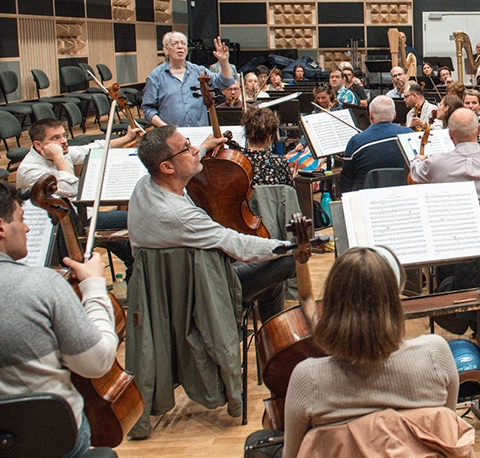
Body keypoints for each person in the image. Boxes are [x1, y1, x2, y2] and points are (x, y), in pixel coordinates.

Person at [0, 180, 118, 458]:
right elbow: (97, 363)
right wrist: (94, 286)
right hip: (53, 445)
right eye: (21, 219)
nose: (27, 228)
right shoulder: (43, 285)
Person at [279, 247, 459, 458]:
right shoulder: (436, 354)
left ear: (331, 306)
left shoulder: (307, 378)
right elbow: (447, 430)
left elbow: (291, 454)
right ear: (395, 303)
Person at [130, 126, 298, 324]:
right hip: (198, 291)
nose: (194, 150)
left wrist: (204, 147)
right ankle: (274, 341)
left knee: (271, 282)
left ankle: (271, 338)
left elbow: (184, 158)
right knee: (286, 261)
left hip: (167, 285)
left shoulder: (144, 185)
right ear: (167, 167)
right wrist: (295, 246)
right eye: (187, 148)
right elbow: (238, 245)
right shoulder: (180, 216)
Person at [17, 117, 142, 277]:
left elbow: (94, 148)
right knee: (136, 218)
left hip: (82, 217)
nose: (63, 141)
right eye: (55, 138)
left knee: (129, 250)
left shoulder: (61, 151)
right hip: (62, 232)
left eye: (64, 135)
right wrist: (59, 158)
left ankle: (133, 283)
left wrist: (126, 138)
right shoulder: (29, 171)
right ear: (38, 145)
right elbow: (71, 189)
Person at [410, 108, 480, 215]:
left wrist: (417, 160)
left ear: (450, 135)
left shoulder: (434, 163)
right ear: (479, 130)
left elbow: (415, 174)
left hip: (453, 229)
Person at [142, 32, 234, 127]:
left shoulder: (199, 71)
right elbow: (148, 109)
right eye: (175, 44)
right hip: (169, 135)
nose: (180, 47)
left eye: (183, 43)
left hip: (199, 131)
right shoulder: (155, 77)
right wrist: (165, 127)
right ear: (166, 50)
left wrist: (224, 62)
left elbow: (225, 82)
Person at [336, 96, 411, 194]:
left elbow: (345, 183)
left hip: (365, 200)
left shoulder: (356, 141)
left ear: (370, 115)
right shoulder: (410, 136)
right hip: (405, 196)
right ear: (394, 115)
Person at [242, 108, 294, 187]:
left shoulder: (238, 162)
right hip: (272, 199)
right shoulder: (279, 162)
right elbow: (290, 190)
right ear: (269, 137)